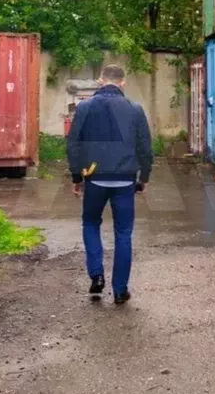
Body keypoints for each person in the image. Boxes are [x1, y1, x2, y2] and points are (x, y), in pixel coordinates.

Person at [66, 64, 153, 304]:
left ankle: (96, 276)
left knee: (91, 223)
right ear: (122, 82)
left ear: (101, 81)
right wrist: (144, 177)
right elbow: (145, 148)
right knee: (123, 233)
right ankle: (120, 290)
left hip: (94, 178)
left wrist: (76, 177)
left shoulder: (84, 107)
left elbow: (73, 144)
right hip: (125, 179)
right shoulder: (135, 109)